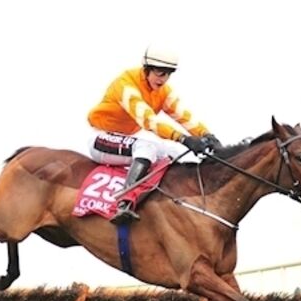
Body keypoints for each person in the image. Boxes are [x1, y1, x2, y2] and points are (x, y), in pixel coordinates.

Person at [87, 44, 222, 225]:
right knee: (147, 148)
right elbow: (148, 121)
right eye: (160, 73)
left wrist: (207, 135)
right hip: (101, 138)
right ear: (146, 69)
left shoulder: (162, 92)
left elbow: (183, 116)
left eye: (168, 74)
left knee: (172, 153)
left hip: (125, 140)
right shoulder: (125, 84)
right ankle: (123, 203)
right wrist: (183, 138)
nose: (163, 79)